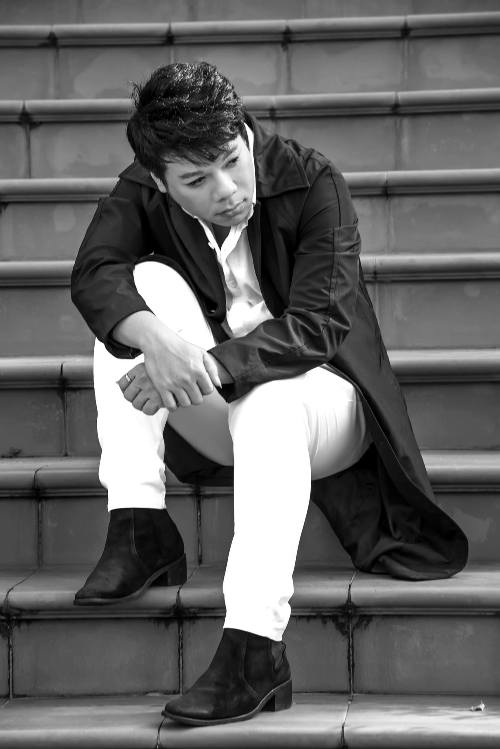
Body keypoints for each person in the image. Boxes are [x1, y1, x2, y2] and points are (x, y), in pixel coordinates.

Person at [70, 61, 468, 726]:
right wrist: (156, 342)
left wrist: (210, 362)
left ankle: (255, 646)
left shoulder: (312, 180)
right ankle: (139, 524)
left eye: (232, 161)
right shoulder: (143, 187)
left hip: (330, 412)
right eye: (196, 180)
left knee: (271, 396)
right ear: (161, 182)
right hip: (225, 413)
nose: (227, 190)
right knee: (136, 296)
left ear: (244, 133)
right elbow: (94, 272)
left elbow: (319, 324)